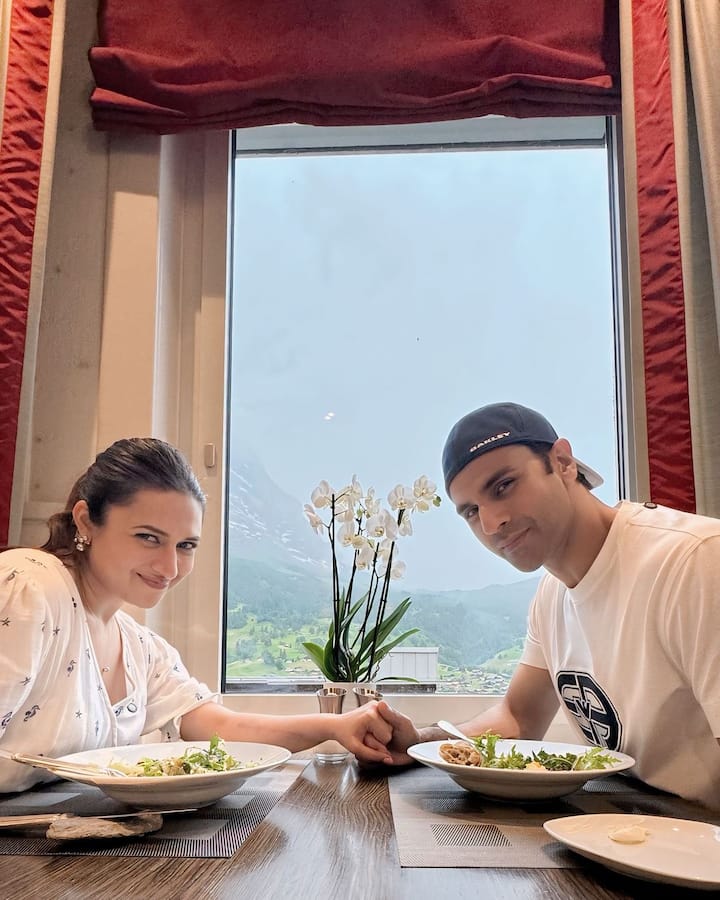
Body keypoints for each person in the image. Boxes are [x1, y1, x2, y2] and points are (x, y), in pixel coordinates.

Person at [0, 438, 394, 793]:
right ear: (86, 520)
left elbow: (213, 725)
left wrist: (336, 726)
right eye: (148, 537)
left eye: (186, 545)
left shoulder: (140, 647)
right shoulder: (31, 587)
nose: (169, 567)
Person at [376, 402, 720, 809]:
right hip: (631, 823)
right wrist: (420, 740)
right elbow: (517, 719)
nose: (491, 524)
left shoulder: (694, 561)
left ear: (562, 463)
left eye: (503, 486)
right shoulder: (552, 595)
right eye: (471, 511)